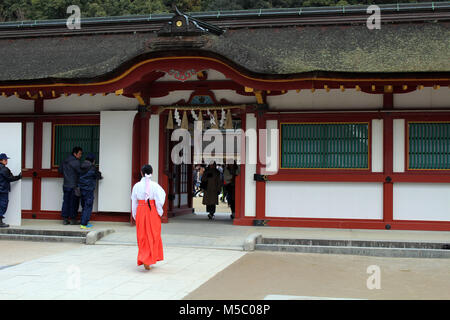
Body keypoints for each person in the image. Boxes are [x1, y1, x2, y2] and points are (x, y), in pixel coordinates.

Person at [131, 164, 166, 270]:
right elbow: (160, 199)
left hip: (141, 209)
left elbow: (134, 202)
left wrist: (135, 214)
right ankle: (150, 258)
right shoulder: (155, 186)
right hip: (152, 210)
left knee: (142, 235)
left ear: (141, 173)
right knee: (154, 234)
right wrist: (159, 212)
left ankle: (144, 258)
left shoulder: (136, 186)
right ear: (152, 173)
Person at [58, 146, 83, 225]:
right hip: (73, 185)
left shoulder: (64, 161)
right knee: (74, 203)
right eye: (79, 154)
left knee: (66, 202)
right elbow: (80, 172)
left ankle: (65, 219)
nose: (80, 155)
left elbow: (60, 170)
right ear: (75, 154)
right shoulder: (76, 162)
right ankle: (73, 219)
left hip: (65, 184)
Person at [78, 153, 103, 229]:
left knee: (84, 206)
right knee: (88, 206)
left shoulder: (81, 166)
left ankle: (83, 221)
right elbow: (98, 176)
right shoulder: (92, 168)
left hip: (81, 188)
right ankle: (84, 224)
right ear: (93, 161)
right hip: (89, 189)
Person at [0, 153, 21, 228]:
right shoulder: (4, 169)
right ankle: (0, 222)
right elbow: (10, 178)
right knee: (3, 205)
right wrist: (19, 177)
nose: (6, 161)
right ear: (1, 160)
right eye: (5, 160)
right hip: (3, 190)